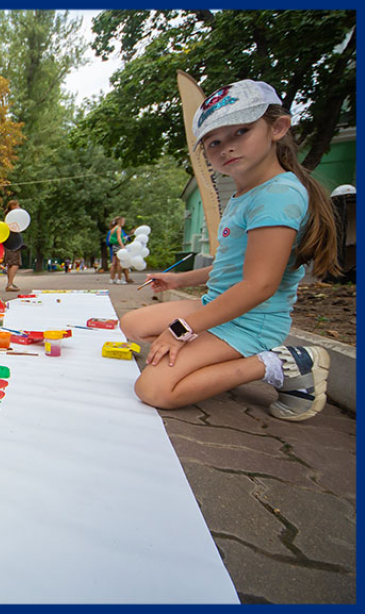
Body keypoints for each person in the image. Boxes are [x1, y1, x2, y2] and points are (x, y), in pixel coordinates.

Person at [120, 79, 339, 422]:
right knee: (133, 324)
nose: (227, 147)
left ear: (278, 127)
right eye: (214, 142)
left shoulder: (276, 196)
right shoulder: (247, 194)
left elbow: (259, 285)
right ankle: (207, 353)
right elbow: (235, 267)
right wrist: (179, 280)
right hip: (219, 308)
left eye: (241, 132)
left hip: (253, 322)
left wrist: (182, 330)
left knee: (154, 390)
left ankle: (278, 364)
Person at [3, 200, 23, 292]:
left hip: (8, 240)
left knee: (10, 263)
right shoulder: (13, 216)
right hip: (13, 240)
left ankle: (10, 282)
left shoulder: (8, 216)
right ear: (13, 206)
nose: (19, 207)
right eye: (17, 205)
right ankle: (9, 284)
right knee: (15, 263)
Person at [107, 216, 132, 284]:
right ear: (119, 221)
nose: (124, 223)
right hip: (118, 247)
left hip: (114, 247)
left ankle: (111, 279)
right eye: (123, 221)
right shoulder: (119, 228)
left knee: (114, 263)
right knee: (119, 263)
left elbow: (110, 239)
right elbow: (118, 238)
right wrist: (122, 246)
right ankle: (119, 279)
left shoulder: (112, 229)